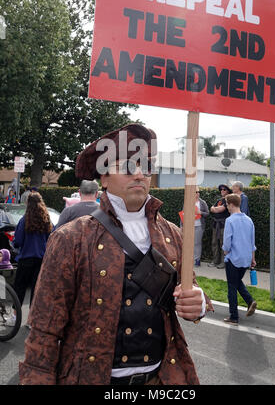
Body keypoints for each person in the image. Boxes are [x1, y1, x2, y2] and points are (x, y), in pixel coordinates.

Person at [19, 123, 213, 386]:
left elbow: (190, 292)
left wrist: (198, 304)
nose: (139, 174)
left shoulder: (174, 235)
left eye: (145, 166)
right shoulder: (71, 238)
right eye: (127, 166)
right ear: (104, 177)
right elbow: (44, 330)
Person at [10, 193, 52, 326]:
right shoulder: (46, 219)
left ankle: (15, 317)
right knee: (36, 289)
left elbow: (18, 241)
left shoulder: (24, 220)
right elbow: (50, 238)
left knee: (19, 288)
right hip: (41, 259)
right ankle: (31, 320)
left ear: (28, 204)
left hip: (26, 258)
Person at [222, 193, 257, 326]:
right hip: (246, 258)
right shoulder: (249, 220)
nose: (226, 206)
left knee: (232, 286)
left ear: (231, 204)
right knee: (236, 282)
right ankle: (250, 301)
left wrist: (225, 251)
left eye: (226, 204)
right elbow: (252, 242)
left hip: (233, 258)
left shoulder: (230, 220)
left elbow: (227, 243)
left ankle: (234, 317)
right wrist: (253, 259)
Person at [180, 191, 209, 266]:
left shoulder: (202, 202)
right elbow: (183, 214)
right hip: (188, 225)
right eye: (195, 192)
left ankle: (197, 260)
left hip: (199, 226)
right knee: (187, 243)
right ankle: (188, 260)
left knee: (197, 243)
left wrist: (200, 212)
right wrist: (181, 226)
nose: (197, 193)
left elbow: (207, 213)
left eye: (198, 192)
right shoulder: (187, 201)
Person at [208, 184, 232, 269]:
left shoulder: (228, 200)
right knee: (214, 243)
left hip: (223, 225)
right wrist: (215, 209)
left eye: (224, 190)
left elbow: (221, 209)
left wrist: (215, 209)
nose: (222, 191)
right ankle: (215, 261)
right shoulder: (219, 200)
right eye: (221, 190)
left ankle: (223, 262)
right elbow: (211, 208)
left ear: (228, 191)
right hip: (215, 225)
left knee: (223, 244)